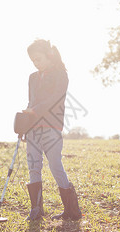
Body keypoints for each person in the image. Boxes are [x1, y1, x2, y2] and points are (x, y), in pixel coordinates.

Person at [22, 39, 82, 221]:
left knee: (55, 165)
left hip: (51, 127)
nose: (36, 63)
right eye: (33, 60)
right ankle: (36, 210)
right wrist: (26, 123)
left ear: (49, 55)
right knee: (34, 166)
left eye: (38, 59)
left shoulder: (61, 75)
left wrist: (36, 110)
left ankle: (72, 211)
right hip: (33, 128)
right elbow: (31, 102)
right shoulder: (32, 77)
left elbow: (56, 99)